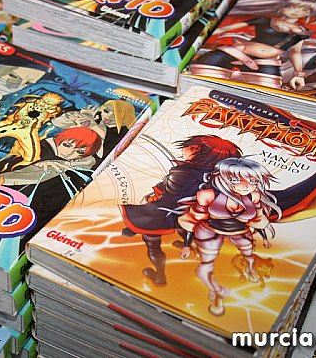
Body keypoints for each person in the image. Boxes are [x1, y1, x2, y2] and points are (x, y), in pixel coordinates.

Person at [120, 135, 242, 286]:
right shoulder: (218, 176)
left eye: (191, 147)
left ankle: (159, 277)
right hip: (189, 212)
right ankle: (186, 242)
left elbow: (168, 201)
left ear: (197, 152)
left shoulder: (183, 174)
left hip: (167, 213)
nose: (184, 150)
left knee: (152, 243)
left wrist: (147, 206)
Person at [178, 157, 281, 317]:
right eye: (236, 180)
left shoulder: (253, 196)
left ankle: (249, 268)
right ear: (222, 178)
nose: (246, 185)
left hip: (240, 231)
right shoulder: (208, 195)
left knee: (249, 254)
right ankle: (215, 292)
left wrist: (265, 237)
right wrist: (186, 244)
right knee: (206, 264)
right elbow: (192, 219)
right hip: (210, 230)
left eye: (253, 181)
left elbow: (258, 220)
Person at [189, 0, 316, 88]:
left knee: (266, 94)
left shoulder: (302, 32)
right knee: (200, 83)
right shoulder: (264, 20)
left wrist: (298, 74)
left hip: (265, 63)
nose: (296, 11)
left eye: (304, 9)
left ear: (310, 13)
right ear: (283, 7)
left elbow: (295, 52)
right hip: (230, 53)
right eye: (292, 7)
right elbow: (226, 28)